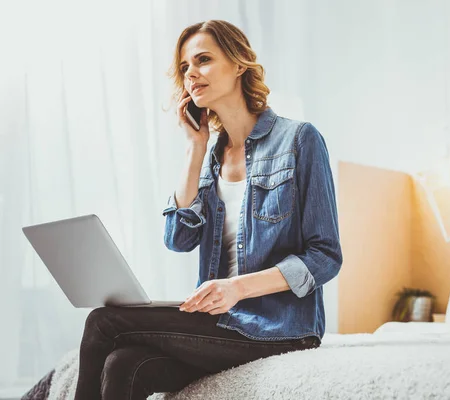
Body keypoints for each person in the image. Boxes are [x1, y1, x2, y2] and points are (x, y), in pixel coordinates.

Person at [71, 19, 343, 399]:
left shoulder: (299, 140)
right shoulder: (211, 158)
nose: (191, 74)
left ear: (238, 64)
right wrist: (194, 148)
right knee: (123, 365)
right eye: (184, 67)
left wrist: (236, 288)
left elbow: (325, 256)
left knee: (103, 322)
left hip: (279, 327)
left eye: (203, 60)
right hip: (221, 325)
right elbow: (178, 239)